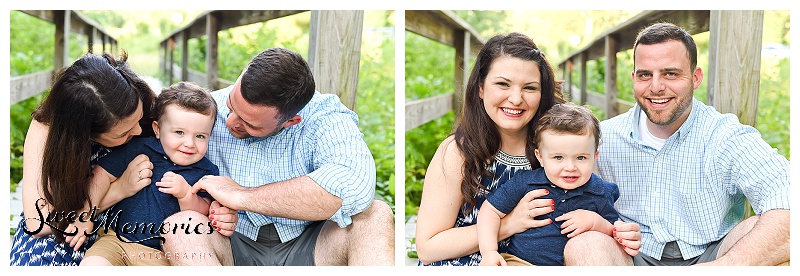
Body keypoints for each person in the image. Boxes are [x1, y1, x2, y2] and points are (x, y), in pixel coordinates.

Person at [564, 22, 790, 266]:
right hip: (630, 255)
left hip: (714, 255)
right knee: (584, 245)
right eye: (645, 75)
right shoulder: (604, 138)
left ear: (695, 77)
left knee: (770, 229)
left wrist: (722, 267)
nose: (656, 87)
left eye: (670, 73)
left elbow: (788, 195)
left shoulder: (725, 136)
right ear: (634, 78)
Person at [160, 47, 394, 266]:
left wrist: (241, 196)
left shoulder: (323, 115)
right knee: (181, 227)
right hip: (230, 241)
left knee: (375, 216)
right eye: (231, 105)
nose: (230, 121)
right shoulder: (206, 110)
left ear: (291, 121)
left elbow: (354, 184)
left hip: (310, 243)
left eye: (249, 124)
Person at [415, 32, 567, 266]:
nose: (516, 99)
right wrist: (509, 224)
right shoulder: (458, 152)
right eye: (503, 84)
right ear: (481, 88)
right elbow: (428, 247)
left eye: (529, 88)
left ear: (542, 93)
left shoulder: (560, 147)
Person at [9, 52, 159, 266]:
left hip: (123, 227)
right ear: (85, 134)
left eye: (139, 118)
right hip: (62, 225)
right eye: (123, 134)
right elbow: (38, 224)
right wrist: (118, 190)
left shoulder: (142, 102)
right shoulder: (47, 128)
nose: (137, 129)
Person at [79, 82, 219, 266]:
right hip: (116, 241)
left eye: (200, 136)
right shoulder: (138, 148)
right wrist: (86, 214)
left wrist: (186, 195)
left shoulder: (206, 171)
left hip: (161, 254)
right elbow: (102, 174)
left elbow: (204, 214)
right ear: (157, 129)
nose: (189, 143)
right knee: (93, 265)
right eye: (179, 132)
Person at [478, 103, 620, 266]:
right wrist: (489, 252)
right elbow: (490, 211)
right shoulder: (526, 182)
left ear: (595, 156)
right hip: (521, 262)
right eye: (558, 157)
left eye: (581, 158)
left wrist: (596, 222)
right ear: (540, 157)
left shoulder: (600, 191)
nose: (570, 167)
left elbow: (615, 235)